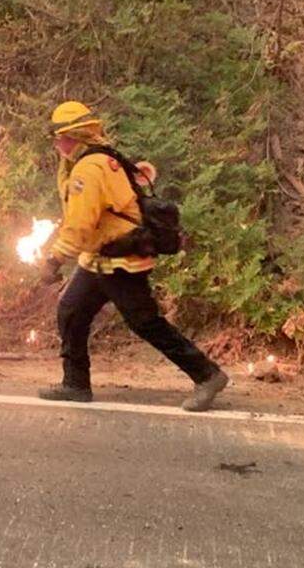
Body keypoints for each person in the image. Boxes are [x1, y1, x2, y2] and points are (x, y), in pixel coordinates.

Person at [36, 101, 229, 411]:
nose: (57, 144)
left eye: (60, 137)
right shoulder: (95, 158)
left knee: (145, 323)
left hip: (121, 262)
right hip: (99, 258)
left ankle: (207, 374)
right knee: (71, 311)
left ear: (75, 136)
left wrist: (54, 259)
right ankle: (75, 384)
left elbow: (79, 223)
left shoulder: (89, 168)